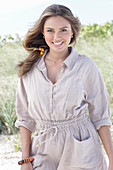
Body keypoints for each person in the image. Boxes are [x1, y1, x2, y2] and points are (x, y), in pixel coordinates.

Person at [15, 4, 113, 170]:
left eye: (63, 30)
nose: (57, 36)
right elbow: (25, 120)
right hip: (42, 149)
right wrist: (25, 161)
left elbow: (101, 117)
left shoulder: (85, 66)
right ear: (43, 33)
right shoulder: (29, 70)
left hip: (82, 148)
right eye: (50, 30)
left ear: (72, 32)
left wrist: (112, 159)